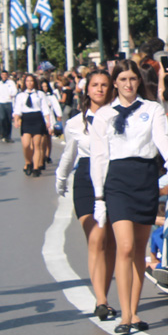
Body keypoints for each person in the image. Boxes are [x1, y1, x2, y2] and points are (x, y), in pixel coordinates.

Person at [90, 62, 168, 335]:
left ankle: (134, 312)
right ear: (115, 82)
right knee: (124, 246)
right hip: (117, 179)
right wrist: (99, 196)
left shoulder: (152, 108)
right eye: (123, 79)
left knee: (139, 249)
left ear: (139, 81)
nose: (128, 84)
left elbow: (161, 138)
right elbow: (98, 157)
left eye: (133, 79)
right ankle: (125, 314)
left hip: (145, 176)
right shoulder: (104, 114)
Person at [55, 69, 117, 320]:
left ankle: (105, 294)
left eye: (104, 85)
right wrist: (61, 179)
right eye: (95, 85)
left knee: (110, 241)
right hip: (86, 179)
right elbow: (69, 154)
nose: (99, 89)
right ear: (87, 89)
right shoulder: (75, 123)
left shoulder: (118, 117)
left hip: (113, 177)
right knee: (95, 237)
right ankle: (100, 300)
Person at [15, 73, 54, 175]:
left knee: (37, 145)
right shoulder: (21, 95)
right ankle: (28, 162)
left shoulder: (40, 94)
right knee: (26, 145)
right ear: (25, 83)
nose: (29, 83)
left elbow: (45, 108)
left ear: (34, 82)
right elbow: (17, 109)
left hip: (37, 119)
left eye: (31, 81)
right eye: (27, 81)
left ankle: (36, 168)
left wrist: (48, 121)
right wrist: (16, 120)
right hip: (26, 119)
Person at [0, 70, 16, 142]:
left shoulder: (11, 83)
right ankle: (2, 133)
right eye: (2, 75)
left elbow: (14, 91)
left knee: (8, 119)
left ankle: (8, 136)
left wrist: (11, 95)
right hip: (1, 102)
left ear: (7, 75)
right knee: (2, 118)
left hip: (9, 102)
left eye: (5, 75)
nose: (4, 76)